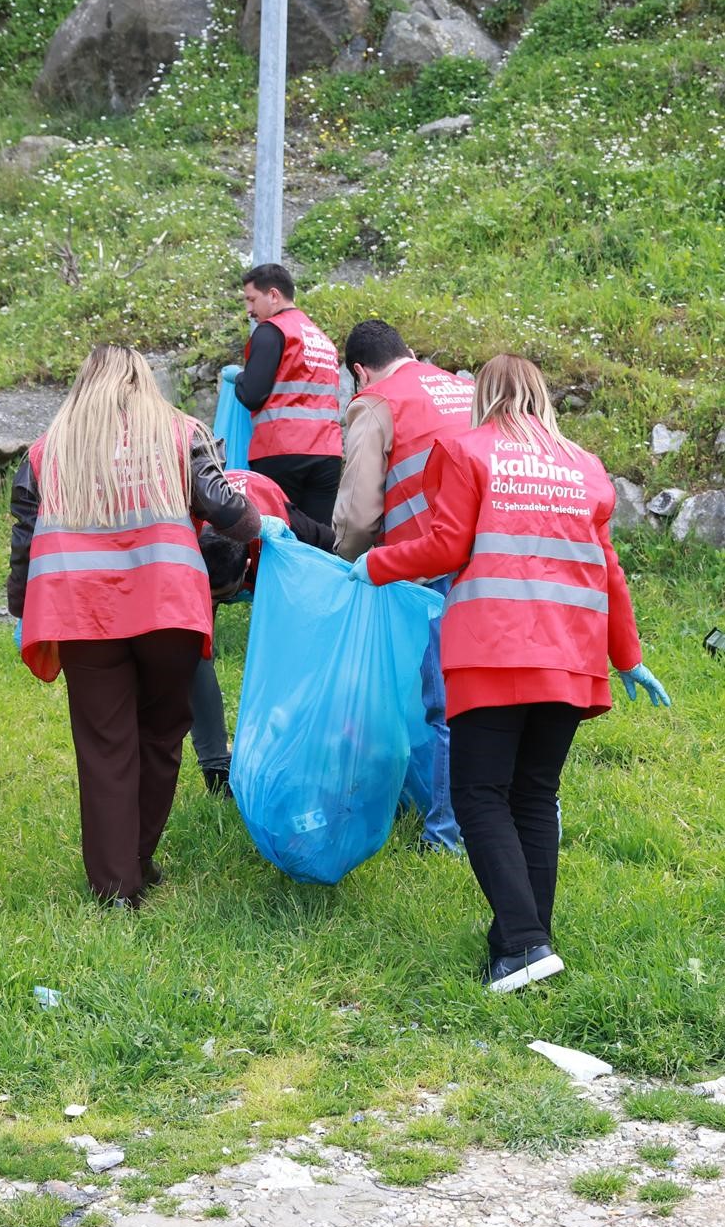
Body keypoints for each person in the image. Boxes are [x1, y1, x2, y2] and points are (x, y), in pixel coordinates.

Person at [349, 353, 670, 993]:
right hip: (571, 658)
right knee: (532, 795)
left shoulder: (466, 452)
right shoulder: (585, 467)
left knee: (478, 796)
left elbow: (445, 546)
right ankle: (524, 944)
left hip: (492, 652)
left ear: (484, 395)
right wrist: (627, 658)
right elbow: (609, 571)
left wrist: (375, 564)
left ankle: (524, 944)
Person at [7, 345, 262, 909]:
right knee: (162, 733)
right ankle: (141, 858)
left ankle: (114, 888)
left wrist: (24, 608)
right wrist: (258, 517)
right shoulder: (179, 433)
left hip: (78, 611)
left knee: (104, 746)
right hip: (165, 606)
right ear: (143, 381)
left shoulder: (48, 451)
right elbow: (232, 515)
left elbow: (24, 542)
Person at [333, 319, 475, 852]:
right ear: (409, 352)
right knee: (478, 695)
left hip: (433, 562)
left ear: (359, 371)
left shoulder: (375, 401)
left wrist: (344, 565)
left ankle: (446, 834)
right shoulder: (465, 386)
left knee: (443, 702)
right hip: (494, 561)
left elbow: (359, 512)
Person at [190, 468, 336, 793]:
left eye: (224, 597)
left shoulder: (287, 534)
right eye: (211, 600)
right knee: (194, 654)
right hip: (206, 558)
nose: (217, 605)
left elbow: (335, 549)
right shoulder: (188, 537)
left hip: (262, 520)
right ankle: (216, 767)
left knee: (295, 651)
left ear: (246, 568)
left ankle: (298, 748)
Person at [224, 263, 342, 523]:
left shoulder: (272, 331)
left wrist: (238, 377)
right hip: (327, 452)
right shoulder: (321, 339)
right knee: (317, 537)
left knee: (277, 534)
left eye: (252, 299)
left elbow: (253, 394)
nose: (249, 310)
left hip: (281, 450)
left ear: (274, 295)